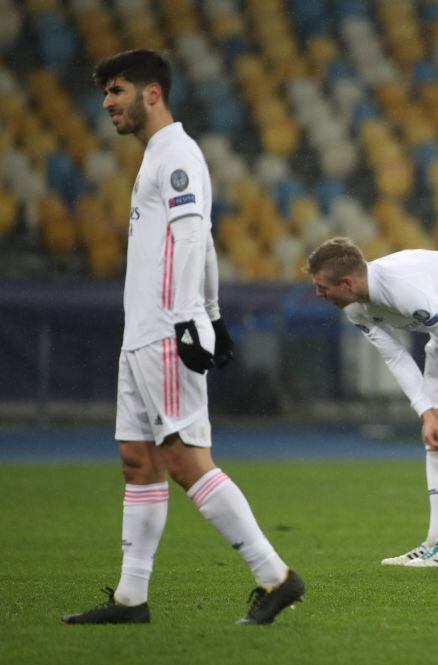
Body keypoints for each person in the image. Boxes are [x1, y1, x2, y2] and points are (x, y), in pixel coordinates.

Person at [62, 50, 304, 625]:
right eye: (104, 93)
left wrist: (188, 317)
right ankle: (131, 598)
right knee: (138, 459)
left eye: (117, 90)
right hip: (143, 332)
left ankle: (276, 576)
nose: (107, 103)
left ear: (152, 93)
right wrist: (212, 310)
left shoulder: (176, 154)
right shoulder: (158, 158)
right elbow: (206, 240)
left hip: (164, 331)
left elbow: (194, 236)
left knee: (183, 457)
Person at [307, 238, 438, 568]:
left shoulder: (401, 289)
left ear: (347, 283)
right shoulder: (354, 306)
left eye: (322, 287)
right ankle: (433, 542)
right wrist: (425, 411)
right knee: (436, 436)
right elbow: (395, 356)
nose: (318, 295)